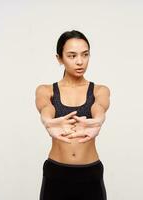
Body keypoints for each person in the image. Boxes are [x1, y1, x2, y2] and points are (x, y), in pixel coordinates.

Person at [35, 30, 110, 200]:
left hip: (90, 173)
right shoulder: (46, 90)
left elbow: (100, 107)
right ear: (59, 58)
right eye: (72, 55)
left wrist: (98, 120)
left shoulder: (99, 90)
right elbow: (46, 107)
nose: (80, 61)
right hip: (56, 173)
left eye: (85, 55)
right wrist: (48, 122)